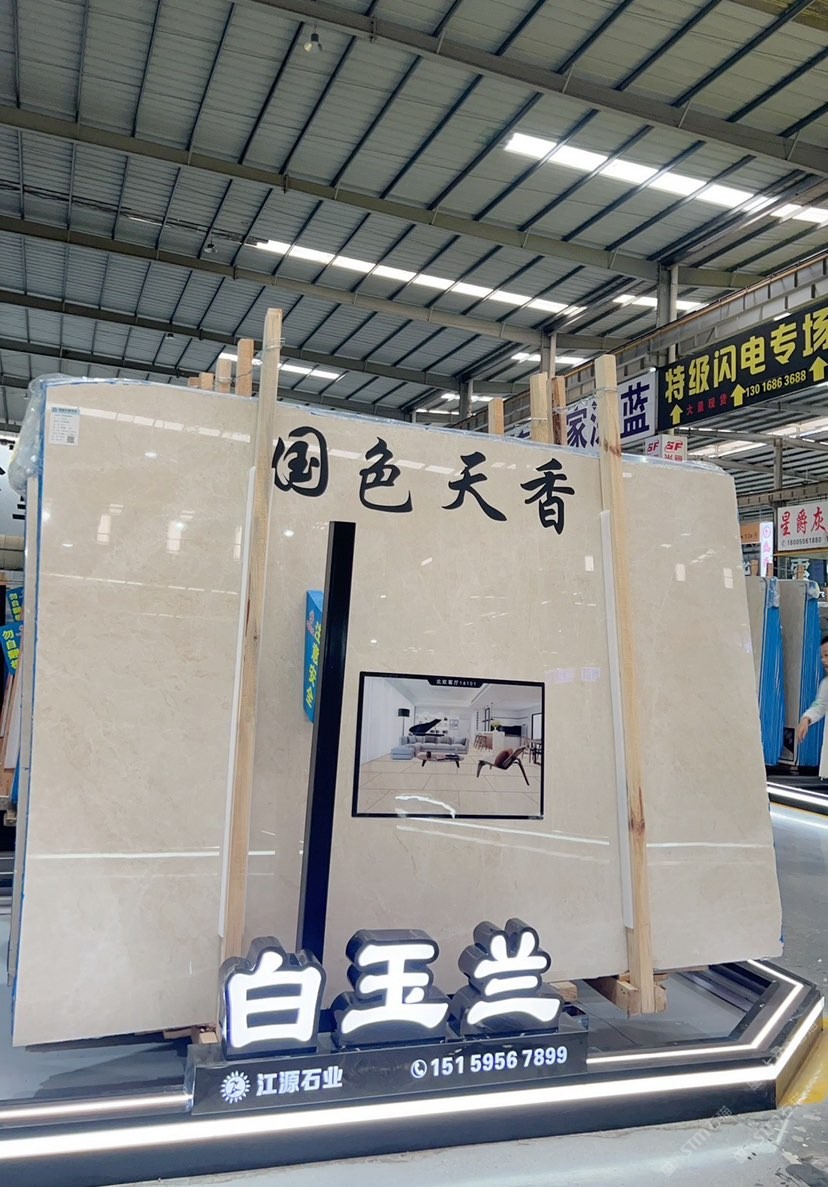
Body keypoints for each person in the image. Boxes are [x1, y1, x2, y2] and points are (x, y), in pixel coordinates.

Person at [795, 636, 828, 775]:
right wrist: (806, 718)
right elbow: (820, 705)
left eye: (827, 655)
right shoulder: (826, 684)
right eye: (822, 656)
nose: (824, 661)